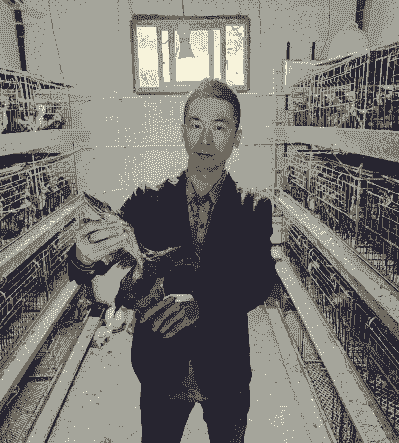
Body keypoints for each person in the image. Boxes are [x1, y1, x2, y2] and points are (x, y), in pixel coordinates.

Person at [68, 78, 279, 443]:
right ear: (183, 132)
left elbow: (261, 280)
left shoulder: (253, 208)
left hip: (225, 371)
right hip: (160, 371)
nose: (205, 139)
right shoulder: (146, 203)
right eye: (195, 125)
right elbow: (87, 270)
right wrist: (84, 255)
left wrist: (203, 305)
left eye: (219, 127)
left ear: (237, 138)